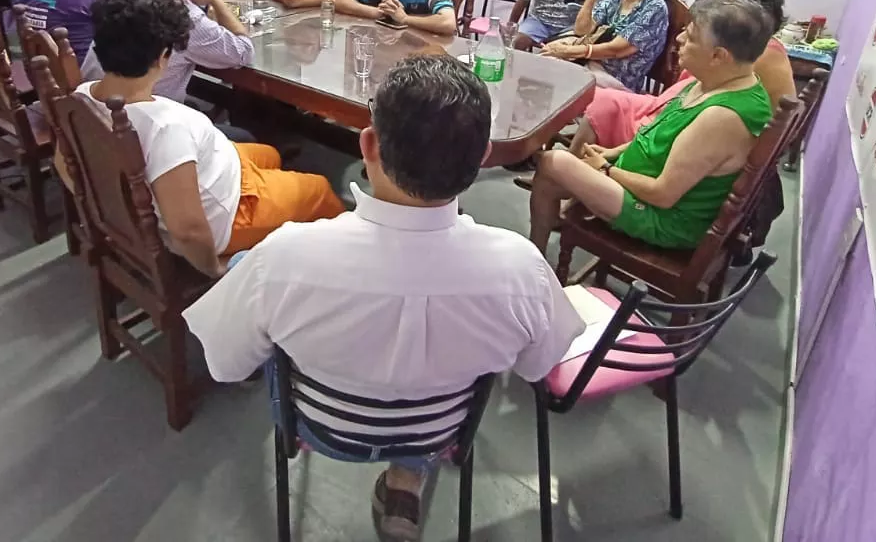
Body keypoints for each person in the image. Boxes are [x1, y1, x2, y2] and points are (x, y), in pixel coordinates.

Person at [183, 54, 584, 541]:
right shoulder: (522, 269)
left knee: (254, 284)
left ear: (368, 144)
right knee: (428, 359)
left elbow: (227, 365)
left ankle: (396, 468)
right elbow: (540, 364)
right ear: (482, 157)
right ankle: (406, 477)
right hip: (437, 432)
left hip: (321, 427)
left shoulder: (284, 256)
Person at [78, 0, 345, 276]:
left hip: (216, 167)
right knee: (319, 189)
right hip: (229, 212)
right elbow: (188, 231)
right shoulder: (165, 129)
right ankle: (334, 265)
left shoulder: (81, 98)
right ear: (163, 57)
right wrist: (214, 268)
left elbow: (67, 166)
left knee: (269, 154)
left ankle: (279, 202)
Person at [529, 0, 774, 253]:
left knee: (553, 161)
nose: (679, 39)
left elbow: (662, 195)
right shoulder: (719, 81)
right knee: (551, 175)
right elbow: (660, 135)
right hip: (641, 186)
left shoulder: (722, 117)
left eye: (691, 37)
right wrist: (613, 153)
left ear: (718, 56)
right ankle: (538, 251)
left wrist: (607, 169)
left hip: (663, 217)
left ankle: (534, 258)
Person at [570, 0, 796, 154]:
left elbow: (711, 111)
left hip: (697, 127)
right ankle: (577, 176)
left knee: (595, 99)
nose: (711, 9)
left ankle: (580, 175)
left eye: (722, 3)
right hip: (676, 108)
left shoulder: (753, 53)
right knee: (601, 99)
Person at [80, 0, 256, 139]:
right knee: (246, 138)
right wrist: (216, 0)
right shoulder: (184, 17)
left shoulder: (126, 1)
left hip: (95, 119)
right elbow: (244, 52)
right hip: (140, 129)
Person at [542, 0, 668, 91]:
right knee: (545, 64)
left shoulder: (654, 8)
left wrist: (566, 50)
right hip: (592, 62)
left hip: (618, 77)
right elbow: (581, 30)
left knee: (558, 74)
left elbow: (616, 50)